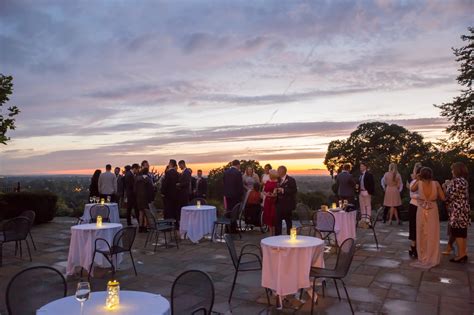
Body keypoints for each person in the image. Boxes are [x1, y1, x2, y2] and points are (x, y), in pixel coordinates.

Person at [410, 167, 445, 269]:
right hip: (433, 210)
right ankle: (432, 257)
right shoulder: (436, 184)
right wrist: (445, 188)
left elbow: (411, 189)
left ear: (421, 175)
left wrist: (417, 178)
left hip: (421, 210)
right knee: (433, 233)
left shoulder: (419, 183)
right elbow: (443, 198)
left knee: (421, 233)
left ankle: (423, 256)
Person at [443, 162, 470, 263]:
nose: (451, 171)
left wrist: (445, 187)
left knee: (457, 233)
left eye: (452, 169)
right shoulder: (464, 181)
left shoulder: (456, 181)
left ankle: (461, 255)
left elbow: (449, 197)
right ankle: (463, 253)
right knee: (462, 232)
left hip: (457, 209)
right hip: (464, 208)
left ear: (456, 170)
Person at [275, 166, 297, 236]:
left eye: (278, 170)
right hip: (278, 204)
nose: (277, 172)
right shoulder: (277, 180)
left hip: (287, 205)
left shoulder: (291, 180)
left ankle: (289, 237)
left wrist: (283, 190)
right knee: (277, 222)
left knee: (288, 222)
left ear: (283, 171)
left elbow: (294, 190)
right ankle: (277, 237)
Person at [223, 160, 244, 232]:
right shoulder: (238, 173)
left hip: (227, 195)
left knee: (228, 211)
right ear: (238, 165)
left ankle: (227, 227)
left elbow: (224, 183)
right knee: (234, 212)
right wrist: (241, 195)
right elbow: (240, 186)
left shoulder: (226, 172)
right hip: (235, 196)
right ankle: (233, 228)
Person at [408, 164, 423, 258]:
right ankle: (413, 246)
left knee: (421, 226)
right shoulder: (413, 182)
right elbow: (412, 195)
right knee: (413, 226)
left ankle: (420, 246)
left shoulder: (427, 183)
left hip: (422, 207)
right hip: (414, 205)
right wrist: (421, 197)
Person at [135, 167, 155, 233]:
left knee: (141, 213)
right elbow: (151, 190)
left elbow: (135, 189)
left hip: (139, 198)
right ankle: (145, 227)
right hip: (146, 198)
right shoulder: (148, 180)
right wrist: (152, 198)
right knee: (146, 213)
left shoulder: (137, 179)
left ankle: (140, 227)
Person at [263, 170, 279, 235]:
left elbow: (276, 194)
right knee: (268, 216)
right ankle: (270, 233)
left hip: (273, 202)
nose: (269, 175)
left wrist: (272, 195)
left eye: (270, 174)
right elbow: (264, 191)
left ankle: (274, 233)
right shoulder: (267, 182)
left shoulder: (277, 183)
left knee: (273, 216)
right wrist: (266, 194)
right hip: (267, 201)